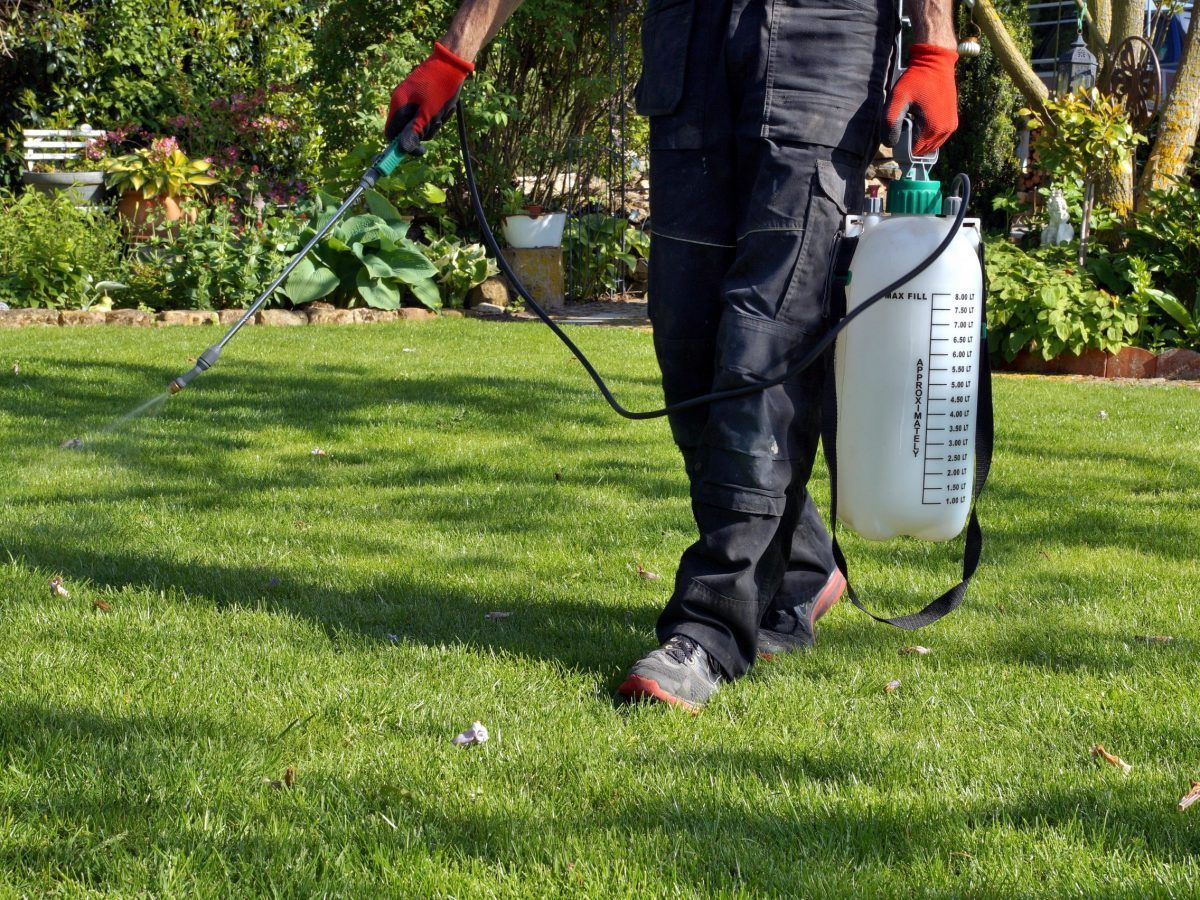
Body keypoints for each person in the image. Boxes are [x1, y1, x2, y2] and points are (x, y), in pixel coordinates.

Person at [386, 0, 960, 710]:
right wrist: (452, 56)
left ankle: (709, 628)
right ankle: (805, 566)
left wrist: (937, 46)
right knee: (687, 346)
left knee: (763, 339)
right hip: (690, 45)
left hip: (823, 41)